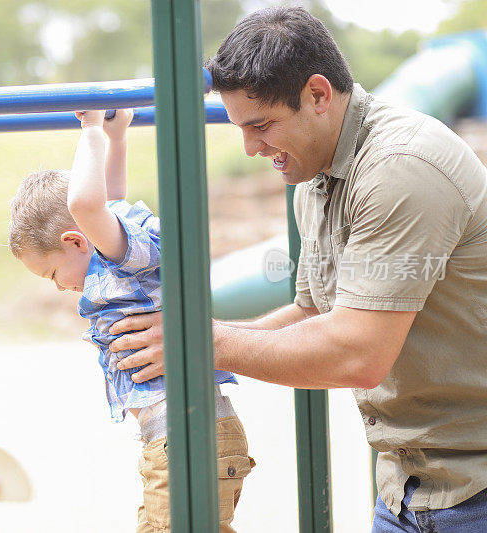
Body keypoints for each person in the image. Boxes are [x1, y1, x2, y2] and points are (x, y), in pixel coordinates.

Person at [108, 6, 487, 532]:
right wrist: (189, 352)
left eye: (261, 125)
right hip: (409, 484)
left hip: (475, 488)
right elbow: (312, 313)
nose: (251, 147)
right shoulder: (315, 177)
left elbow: (359, 351)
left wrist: (200, 343)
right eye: (242, 128)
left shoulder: (402, 169)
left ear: (318, 94)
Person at [8, 108, 254, 532]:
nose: (59, 287)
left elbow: (87, 204)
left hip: (186, 439)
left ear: (74, 240)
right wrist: (117, 137)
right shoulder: (120, 244)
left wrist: (91, 131)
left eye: (51, 274)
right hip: (184, 437)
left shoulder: (119, 258)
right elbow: (109, 198)